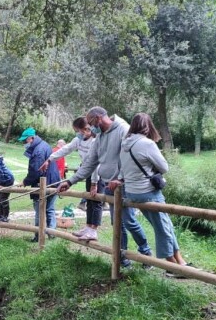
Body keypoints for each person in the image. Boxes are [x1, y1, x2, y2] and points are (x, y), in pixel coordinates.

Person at [58, 107, 152, 268]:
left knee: (128, 221)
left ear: (99, 118)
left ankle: (146, 254)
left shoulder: (122, 129)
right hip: (109, 186)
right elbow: (90, 162)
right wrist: (70, 181)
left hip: (124, 185)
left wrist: (120, 178)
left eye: (91, 123)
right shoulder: (100, 136)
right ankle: (121, 258)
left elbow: (130, 157)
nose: (90, 127)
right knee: (117, 224)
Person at [116, 113, 189, 269]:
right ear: (148, 126)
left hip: (132, 192)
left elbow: (124, 169)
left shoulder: (124, 144)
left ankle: (180, 260)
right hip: (148, 191)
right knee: (162, 227)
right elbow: (164, 167)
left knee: (165, 224)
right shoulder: (147, 144)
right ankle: (171, 266)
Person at [20, 127, 61, 242]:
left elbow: (36, 171)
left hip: (44, 183)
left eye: (25, 140)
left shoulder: (38, 151)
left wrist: (25, 181)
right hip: (54, 181)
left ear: (31, 138)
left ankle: (38, 235)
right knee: (50, 209)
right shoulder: (44, 145)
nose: (24, 143)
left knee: (40, 210)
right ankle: (52, 234)